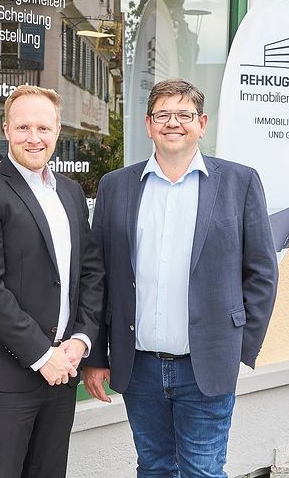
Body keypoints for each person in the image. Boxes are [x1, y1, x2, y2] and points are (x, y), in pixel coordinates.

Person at [83, 79, 278, 478]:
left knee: (202, 471)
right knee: (153, 467)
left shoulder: (239, 183)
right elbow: (98, 277)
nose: (173, 123)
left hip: (206, 364)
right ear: (148, 124)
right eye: (163, 115)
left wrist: (237, 346)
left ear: (201, 124)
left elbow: (261, 273)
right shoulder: (115, 186)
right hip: (139, 367)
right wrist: (97, 356)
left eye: (184, 114)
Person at [0, 85, 104, 478]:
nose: (34, 138)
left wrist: (81, 339)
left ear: (58, 131)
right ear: (6, 129)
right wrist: (41, 354)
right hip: (5, 380)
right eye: (23, 127)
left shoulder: (70, 193)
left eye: (43, 128)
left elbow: (90, 272)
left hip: (63, 372)